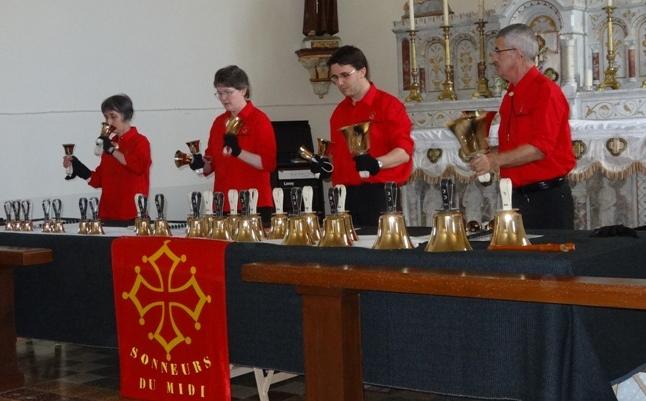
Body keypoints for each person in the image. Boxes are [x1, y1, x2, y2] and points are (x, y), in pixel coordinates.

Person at [470, 24, 575, 229]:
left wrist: (493, 160)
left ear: (517, 54)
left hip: (546, 201)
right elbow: (515, 146)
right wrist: (486, 154)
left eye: (498, 51)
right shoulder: (511, 94)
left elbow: (539, 149)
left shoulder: (545, 91)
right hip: (517, 198)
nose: (493, 58)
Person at [312, 45, 414, 226]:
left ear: (362, 71)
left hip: (379, 194)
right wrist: (326, 167)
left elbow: (404, 152)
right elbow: (338, 158)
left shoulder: (388, 105)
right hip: (345, 196)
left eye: (345, 75)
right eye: (335, 78)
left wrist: (377, 163)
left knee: (381, 252)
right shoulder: (339, 113)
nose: (340, 83)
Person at [188, 65, 276, 223]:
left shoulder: (259, 120)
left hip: (254, 204)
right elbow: (210, 165)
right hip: (224, 204)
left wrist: (238, 152)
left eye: (228, 92)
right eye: (219, 93)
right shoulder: (218, 123)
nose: (223, 98)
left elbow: (268, 164)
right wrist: (199, 164)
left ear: (243, 90)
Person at [63, 94, 151, 225]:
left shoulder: (140, 141)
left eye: (113, 116)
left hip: (132, 216)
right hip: (107, 215)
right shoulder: (110, 144)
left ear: (126, 115)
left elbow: (138, 167)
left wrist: (111, 150)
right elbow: (98, 180)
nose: (109, 122)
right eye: (106, 117)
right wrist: (77, 166)